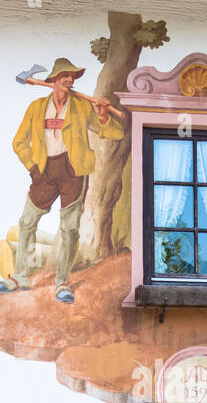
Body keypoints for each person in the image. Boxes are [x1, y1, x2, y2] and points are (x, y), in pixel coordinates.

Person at [11, 58, 123, 303]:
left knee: (70, 229)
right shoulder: (36, 107)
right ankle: (20, 275)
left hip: (73, 172)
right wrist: (33, 168)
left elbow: (114, 132)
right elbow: (18, 142)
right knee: (28, 221)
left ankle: (61, 282)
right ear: (52, 80)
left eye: (74, 76)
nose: (71, 80)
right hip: (44, 171)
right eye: (66, 75)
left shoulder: (83, 108)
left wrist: (103, 116)